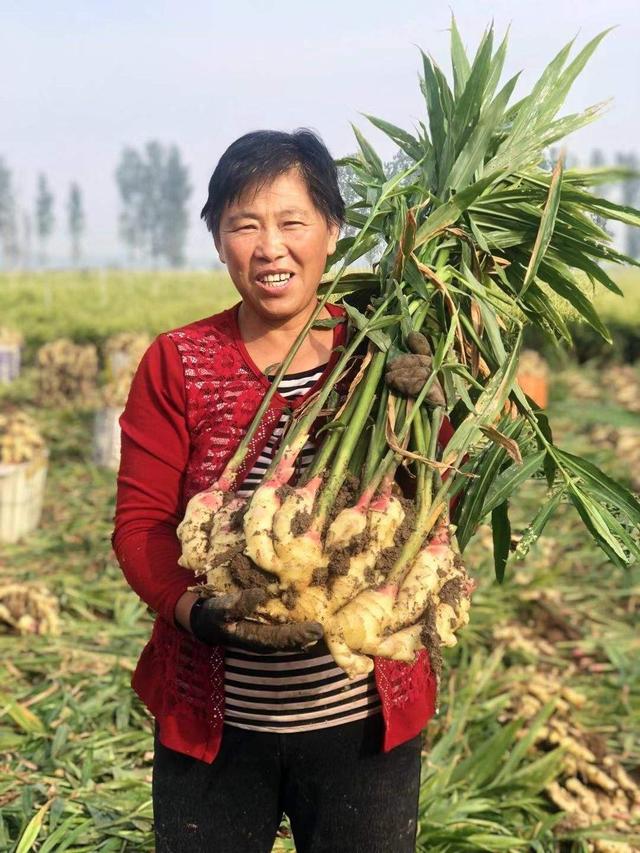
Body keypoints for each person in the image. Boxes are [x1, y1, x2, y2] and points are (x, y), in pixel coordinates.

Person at [112, 128, 455, 853]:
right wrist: (196, 611)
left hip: (362, 725)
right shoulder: (178, 362)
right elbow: (139, 525)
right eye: (244, 224)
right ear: (217, 240)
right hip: (217, 727)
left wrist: (434, 402)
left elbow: (433, 498)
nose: (271, 247)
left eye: (293, 221)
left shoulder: (381, 351)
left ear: (332, 230)